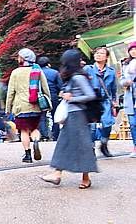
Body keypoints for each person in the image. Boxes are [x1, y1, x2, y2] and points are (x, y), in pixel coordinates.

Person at [40, 49, 98, 189]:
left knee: (80, 146)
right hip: (73, 115)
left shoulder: (78, 77)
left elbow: (90, 95)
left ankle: (71, 175)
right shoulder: (74, 76)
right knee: (67, 144)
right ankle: (59, 174)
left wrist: (71, 98)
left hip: (77, 115)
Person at [6, 48, 51, 163]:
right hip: (35, 105)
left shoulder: (15, 72)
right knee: (35, 128)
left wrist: (8, 108)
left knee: (24, 131)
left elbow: (11, 92)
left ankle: (28, 155)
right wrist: (48, 101)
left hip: (21, 107)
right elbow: (45, 88)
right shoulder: (37, 70)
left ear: (22, 59)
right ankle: (35, 140)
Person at [84, 47, 117, 157]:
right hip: (91, 101)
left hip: (105, 101)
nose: (98, 55)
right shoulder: (88, 69)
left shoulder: (111, 72)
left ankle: (103, 143)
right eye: (97, 53)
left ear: (106, 57)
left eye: (101, 53)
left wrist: (114, 101)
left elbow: (113, 88)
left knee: (108, 123)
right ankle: (91, 147)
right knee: (92, 126)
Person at [39, 56, 63, 141]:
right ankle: (55, 135)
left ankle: (44, 135)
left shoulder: (36, 72)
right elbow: (61, 86)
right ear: (48, 64)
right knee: (55, 116)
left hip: (40, 97)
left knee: (42, 116)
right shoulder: (55, 73)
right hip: (52, 96)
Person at [118, 42, 136, 157]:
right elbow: (122, 80)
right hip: (130, 97)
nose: (133, 51)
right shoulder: (125, 64)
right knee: (133, 124)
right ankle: (135, 146)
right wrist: (126, 82)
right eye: (131, 50)